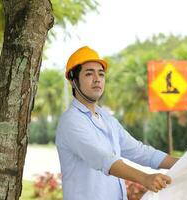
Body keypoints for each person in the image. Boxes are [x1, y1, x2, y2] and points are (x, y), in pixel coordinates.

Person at [55, 46, 179, 200]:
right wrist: (145, 178)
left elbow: (139, 151)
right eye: (89, 74)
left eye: (101, 74)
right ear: (73, 81)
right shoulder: (71, 121)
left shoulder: (106, 118)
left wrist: (184, 162)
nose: (97, 79)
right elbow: (103, 159)